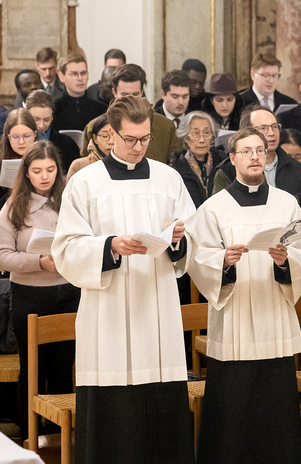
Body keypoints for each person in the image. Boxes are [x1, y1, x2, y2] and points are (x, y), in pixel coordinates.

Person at [52, 95, 196, 464]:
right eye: (130, 139)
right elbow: (66, 248)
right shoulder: (85, 183)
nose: (138, 147)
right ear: (110, 135)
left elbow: (194, 238)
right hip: (109, 311)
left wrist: (178, 239)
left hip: (158, 305)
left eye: (145, 138)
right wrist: (110, 246)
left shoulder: (168, 179)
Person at [187, 127, 301, 464]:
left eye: (260, 150)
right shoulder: (214, 208)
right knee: (234, 407)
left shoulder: (287, 203)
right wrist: (223, 262)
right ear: (232, 158)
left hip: (274, 315)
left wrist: (285, 262)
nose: (255, 157)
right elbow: (198, 258)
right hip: (235, 319)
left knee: (276, 408)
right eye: (246, 151)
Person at [0, 140, 80, 435]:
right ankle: (30, 435)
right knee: (32, 370)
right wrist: (39, 262)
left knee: (62, 369)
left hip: (68, 292)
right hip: (30, 294)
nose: (45, 176)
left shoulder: (70, 202)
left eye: (51, 170)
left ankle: (59, 439)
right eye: (37, 170)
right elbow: (0, 256)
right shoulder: (14, 207)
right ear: (26, 173)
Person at [0, 108, 38, 279]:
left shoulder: (43, 166)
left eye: (26, 136)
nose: (21, 142)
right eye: (15, 137)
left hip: (32, 245)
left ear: (35, 134)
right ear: (7, 137)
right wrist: (14, 194)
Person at [79, 64, 181, 165]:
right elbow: (85, 164)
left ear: (142, 92)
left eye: (135, 95)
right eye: (125, 95)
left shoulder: (166, 128)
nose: (130, 100)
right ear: (114, 92)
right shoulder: (94, 127)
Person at [210, 105, 301, 205]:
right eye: (263, 128)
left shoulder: (298, 169)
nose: (271, 133)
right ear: (247, 132)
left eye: (274, 127)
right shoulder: (227, 171)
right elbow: (220, 208)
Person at [171, 111, 222, 209]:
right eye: (196, 134)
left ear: (212, 136)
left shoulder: (222, 165)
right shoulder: (176, 171)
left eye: (206, 133)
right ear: (186, 138)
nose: (202, 140)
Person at [25, 90, 80, 172]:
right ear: (26, 116)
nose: (41, 125)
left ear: (52, 118)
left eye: (46, 120)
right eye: (36, 119)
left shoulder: (67, 144)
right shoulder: (18, 141)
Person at [52, 54, 106, 133]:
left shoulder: (101, 110)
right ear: (61, 77)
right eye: (74, 74)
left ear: (88, 75)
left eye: (83, 73)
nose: (80, 78)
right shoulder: (54, 110)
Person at [67, 114, 112, 179]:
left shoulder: (127, 165)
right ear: (95, 138)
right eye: (105, 136)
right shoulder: (79, 166)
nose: (111, 142)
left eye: (115, 136)